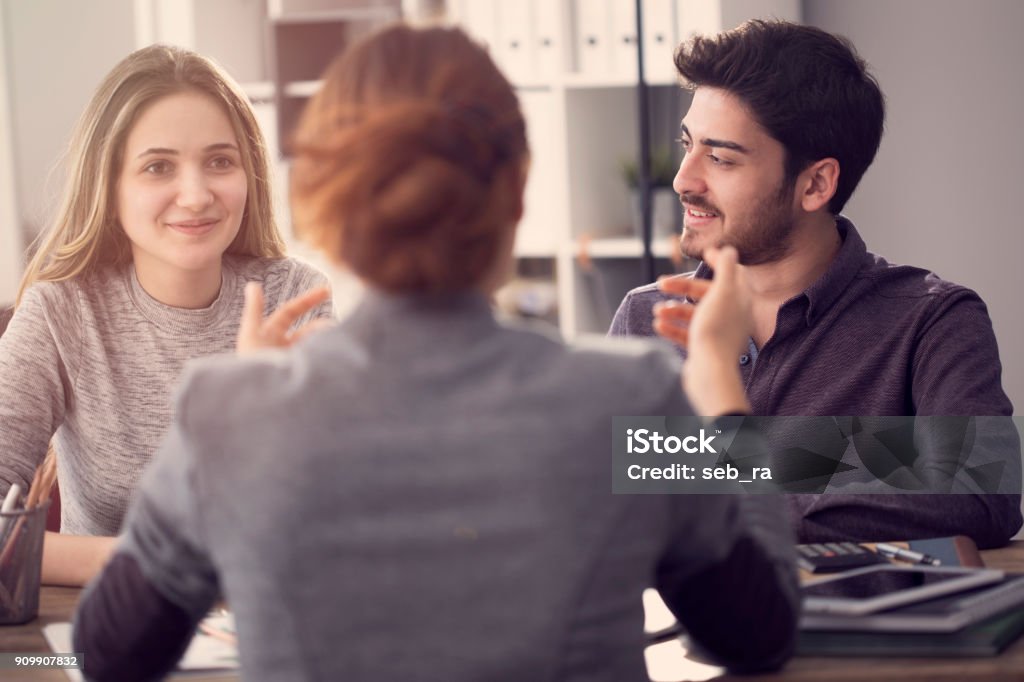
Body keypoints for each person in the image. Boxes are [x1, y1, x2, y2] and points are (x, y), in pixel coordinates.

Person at [73, 24, 799, 681]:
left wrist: (243, 428)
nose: (687, 176)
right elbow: (759, 634)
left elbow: (107, 654)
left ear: (321, 198)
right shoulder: (632, 394)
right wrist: (719, 390)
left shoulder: (230, 413)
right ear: (517, 193)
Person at [610, 20, 1021, 548]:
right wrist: (871, 456)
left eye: (720, 157)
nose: (683, 179)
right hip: (682, 630)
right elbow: (608, 511)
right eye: (687, 145)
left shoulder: (933, 320)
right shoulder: (645, 317)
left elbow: (981, 492)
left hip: (865, 629)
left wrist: (713, 484)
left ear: (816, 183)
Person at [0, 44, 332, 586]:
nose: (196, 195)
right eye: (158, 167)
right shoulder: (62, 313)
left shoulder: (293, 296)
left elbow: (332, 516)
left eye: (220, 162)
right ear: (109, 189)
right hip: (102, 638)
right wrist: (151, 562)